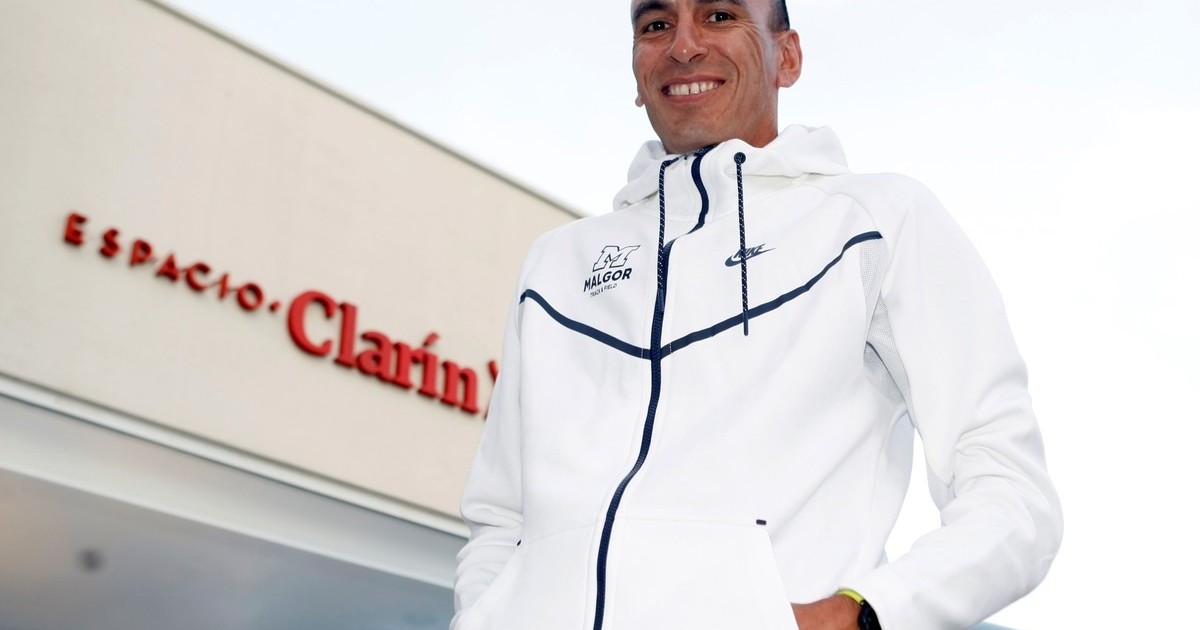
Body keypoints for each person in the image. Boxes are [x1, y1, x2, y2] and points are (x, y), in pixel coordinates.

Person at [451, 0, 1063, 628]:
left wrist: (865, 615)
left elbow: (1013, 496)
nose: (683, 46)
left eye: (719, 16)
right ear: (636, 71)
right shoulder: (556, 263)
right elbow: (500, 521)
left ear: (787, 57)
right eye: (656, 25)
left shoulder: (876, 221)